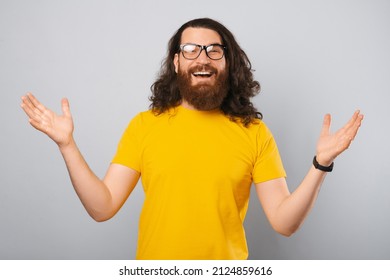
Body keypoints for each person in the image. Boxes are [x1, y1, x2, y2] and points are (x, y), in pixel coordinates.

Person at [20, 18, 363, 260]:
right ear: (176, 62)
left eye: (215, 50)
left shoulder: (254, 132)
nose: (203, 58)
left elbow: (284, 223)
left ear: (228, 63)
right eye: (191, 49)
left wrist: (322, 164)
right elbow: (102, 206)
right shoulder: (145, 126)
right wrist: (67, 145)